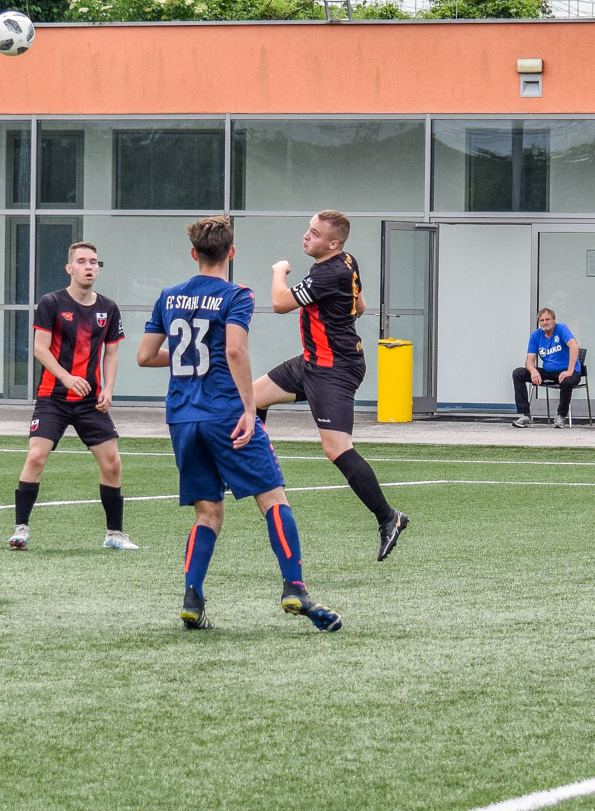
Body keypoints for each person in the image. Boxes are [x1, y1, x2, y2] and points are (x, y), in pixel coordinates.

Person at [138, 215, 342, 632]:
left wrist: (190, 355)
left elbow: (145, 356)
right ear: (231, 253)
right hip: (225, 413)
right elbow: (235, 351)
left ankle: (192, 597)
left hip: (182, 415)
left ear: (194, 254)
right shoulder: (237, 294)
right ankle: (295, 587)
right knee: (273, 498)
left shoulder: (169, 296)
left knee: (207, 513)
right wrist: (250, 409)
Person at [253, 210, 408, 561]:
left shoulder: (329, 272)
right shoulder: (345, 261)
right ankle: (255, 467)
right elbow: (360, 305)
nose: (306, 236)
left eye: (315, 233)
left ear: (334, 243)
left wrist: (279, 271)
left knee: (336, 448)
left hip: (334, 369)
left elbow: (279, 303)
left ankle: (389, 518)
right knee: (251, 398)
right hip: (312, 361)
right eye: (309, 230)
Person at [9, 241, 135, 552]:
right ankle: (21, 529)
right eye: (82, 261)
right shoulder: (51, 302)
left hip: (90, 401)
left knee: (112, 464)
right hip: (53, 396)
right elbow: (40, 349)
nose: (89, 266)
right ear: (69, 268)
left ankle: (115, 534)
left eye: (93, 261)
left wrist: (108, 389)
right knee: (36, 457)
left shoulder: (109, 308)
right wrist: (66, 378)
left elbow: (112, 353)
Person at [512, 307, 582, 428]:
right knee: (518, 373)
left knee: (567, 381)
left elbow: (574, 346)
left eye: (547, 319)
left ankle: (561, 416)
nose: (545, 322)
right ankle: (525, 415)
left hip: (568, 371)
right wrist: (533, 370)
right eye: (542, 320)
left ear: (554, 320)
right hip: (548, 372)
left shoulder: (561, 329)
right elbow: (529, 361)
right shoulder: (536, 335)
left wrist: (570, 371)